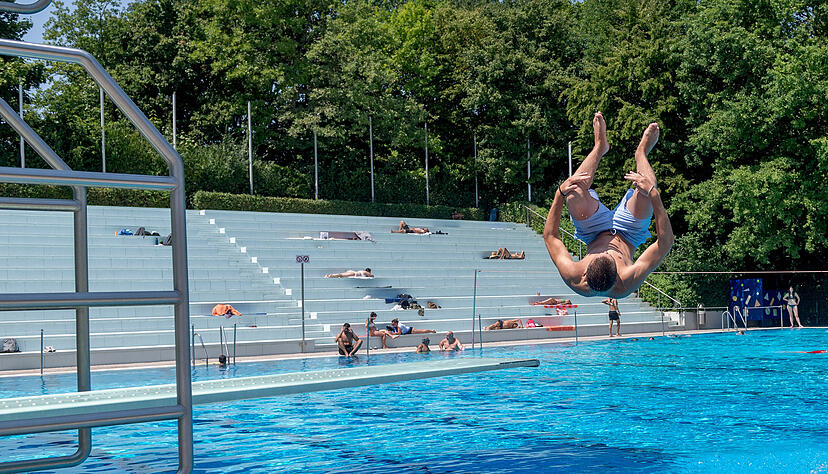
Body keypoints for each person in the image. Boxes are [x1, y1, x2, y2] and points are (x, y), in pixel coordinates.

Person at [543, 112, 674, 298]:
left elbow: (550, 237)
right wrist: (654, 194)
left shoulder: (574, 276)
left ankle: (600, 146)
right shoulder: (627, 281)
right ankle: (641, 152)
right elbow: (665, 243)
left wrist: (559, 193)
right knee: (646, 192)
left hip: (593, 232)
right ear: (617, 276)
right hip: (629, 234)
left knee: (573, 192)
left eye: (601, 254)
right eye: (612, 255)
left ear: (585, 272)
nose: (608, 249)